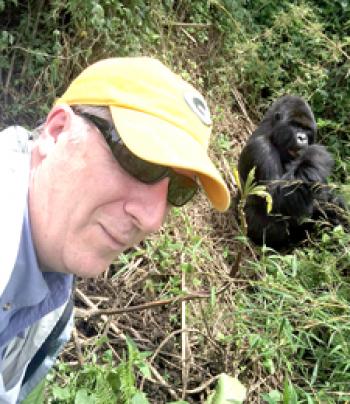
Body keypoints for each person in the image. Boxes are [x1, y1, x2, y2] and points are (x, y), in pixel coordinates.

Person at [0, 56, 230, 402]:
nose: (153, 219)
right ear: (57, 132)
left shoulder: (54, 306)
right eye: (140, 162)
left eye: (180, 191)